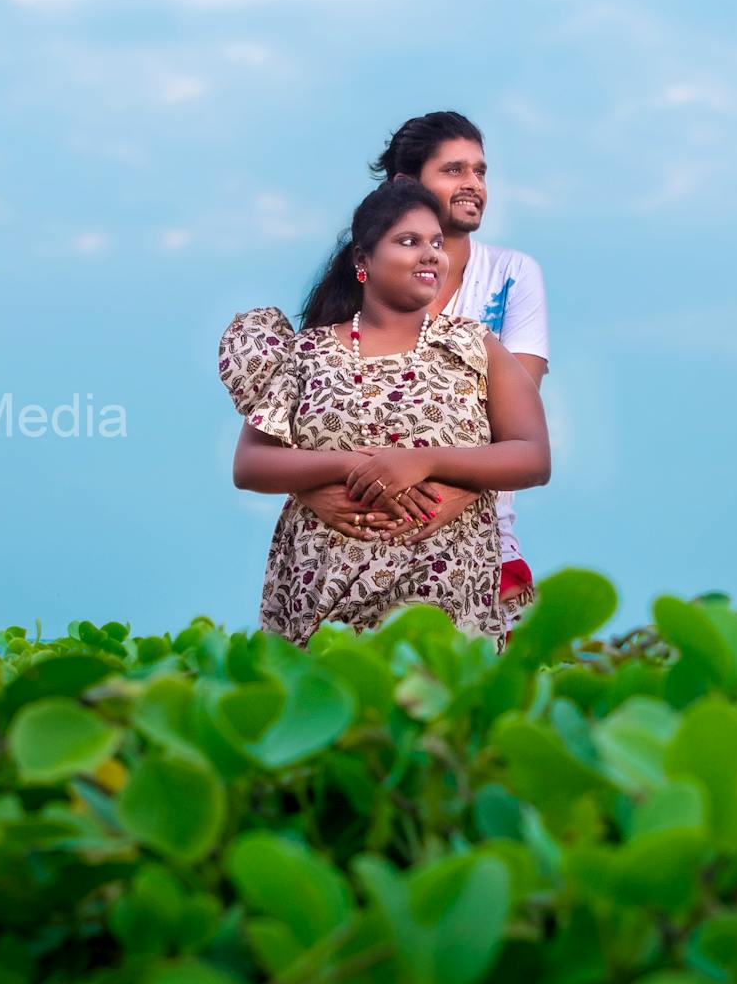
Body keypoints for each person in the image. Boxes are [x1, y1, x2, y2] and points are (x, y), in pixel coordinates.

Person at [217, 178, 550, 646]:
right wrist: (345, 467)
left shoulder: (475, 347)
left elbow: (533, 457)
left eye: (436, 242)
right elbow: (250, 465)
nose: (430, 254)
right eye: (408, 241)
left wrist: (425, 461)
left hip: (444, 598)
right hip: (323, 598)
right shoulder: (306, 354)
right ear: (362, 261)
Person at [294, 112, 551, 603]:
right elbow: (300, 432)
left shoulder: (512, 275)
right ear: (405, 184)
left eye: (480, 171)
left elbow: (509, 427)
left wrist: (449, 493)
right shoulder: (353, 294)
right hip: (349, 546)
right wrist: (313, 494)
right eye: (453, 170)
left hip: (480, 541)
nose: (473, 184)